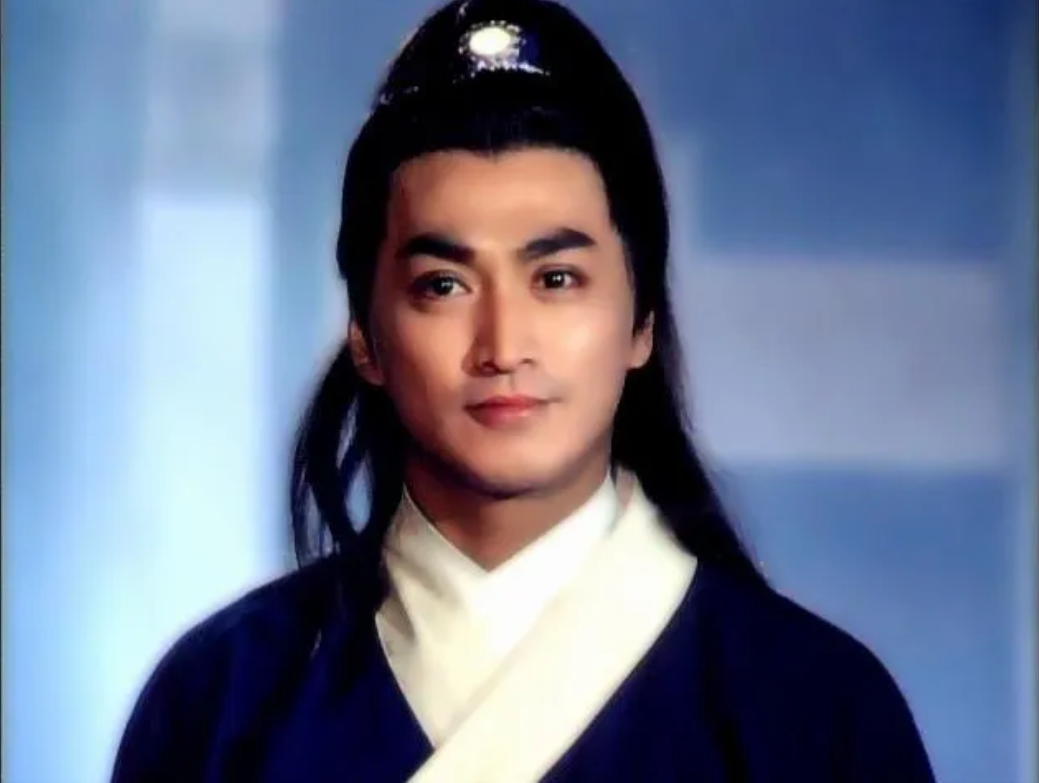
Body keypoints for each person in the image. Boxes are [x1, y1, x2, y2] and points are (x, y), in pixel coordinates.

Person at [112, 1, 936, 780]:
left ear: (641, 320)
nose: (503, 346)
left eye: (556, 278)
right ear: (364, 334)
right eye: (442, 285)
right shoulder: (219, 701)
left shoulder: (814, 709)